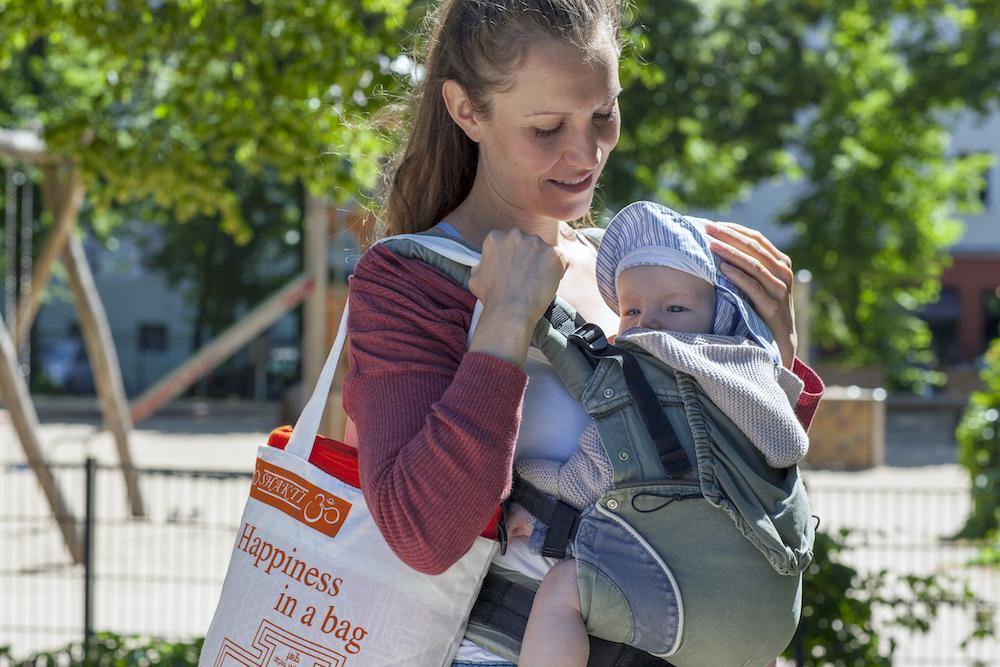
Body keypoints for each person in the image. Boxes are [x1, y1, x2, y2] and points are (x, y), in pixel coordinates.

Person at [342, 1, 824, 664]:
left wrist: (773, 360)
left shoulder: (624, 275)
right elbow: (423, 535)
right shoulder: (412, 281)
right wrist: (506, 325)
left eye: (604, 114)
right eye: (546, 129)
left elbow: (724, 494)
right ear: (466, 110)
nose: (586, 152)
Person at [509, 200, 812, 667]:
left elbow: (586, 482)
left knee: (562, 591)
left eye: (674, 307)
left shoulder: (636, 389)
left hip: (678, 601)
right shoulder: (753, 374)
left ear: (721, 316)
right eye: (631, 310)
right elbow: (787, 446)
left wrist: (524, 479)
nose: (647, 323)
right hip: (769, 616)